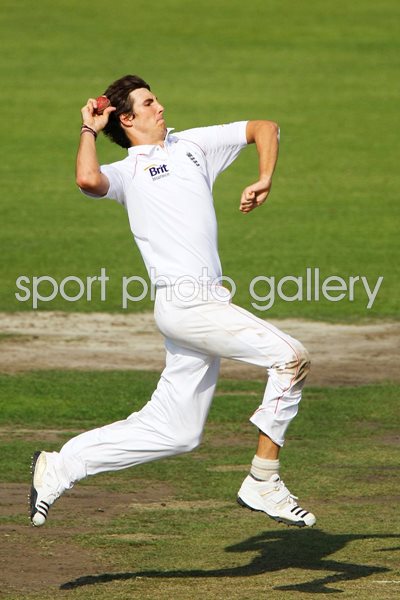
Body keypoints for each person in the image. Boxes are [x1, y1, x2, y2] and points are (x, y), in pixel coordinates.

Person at [30, 75, 315, 529]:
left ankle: (62, 464)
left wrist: (264, 177)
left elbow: (265, 126)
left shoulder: (193, 145)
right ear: (126, 119)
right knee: (290, 358)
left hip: (204, 304)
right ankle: (263, 479)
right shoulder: (127, 173)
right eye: (148, 103)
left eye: (156, 98)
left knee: (177, 430)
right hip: (186, 305)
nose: (160, 106)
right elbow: (87, 177)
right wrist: (89, 126)